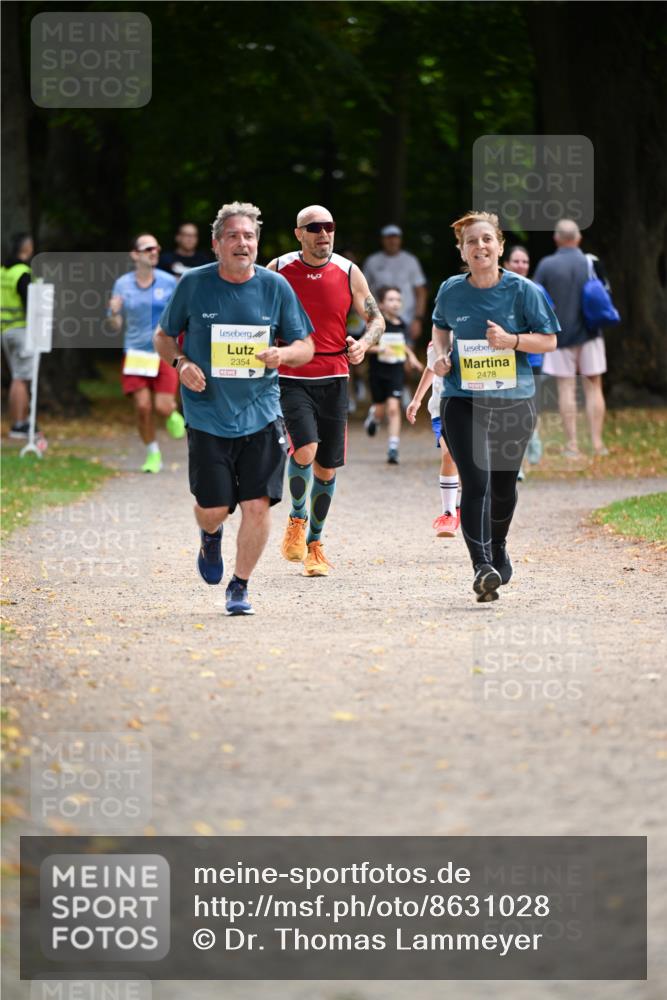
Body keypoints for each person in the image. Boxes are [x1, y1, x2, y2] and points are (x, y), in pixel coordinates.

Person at [154, 201, 314, 616]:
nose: (242, 243)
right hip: (207, 413)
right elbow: (164, 336)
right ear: (216, 244)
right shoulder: (194, 283)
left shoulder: (275, 287)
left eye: (249, 236)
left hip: (262, 412)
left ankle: (239, 586)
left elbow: (305, 345)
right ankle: (211, 537)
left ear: (257, 243)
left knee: (257, 504)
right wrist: (181, 363)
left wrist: (285, 355)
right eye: (233, 236)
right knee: (212, 510)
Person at [432, 211, 559, 602]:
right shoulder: (451, 290)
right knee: (477, 482)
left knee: (503, 488)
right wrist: (440, 357)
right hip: (462, 398)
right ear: (462, 250)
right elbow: (439, 328)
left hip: (513, 401)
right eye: (472, 241)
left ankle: (498, 545)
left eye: (487, 239)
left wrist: (513, 341)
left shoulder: (524, 291)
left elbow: (549, 341)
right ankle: (482, 566)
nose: (480, 246)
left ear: (500, 246)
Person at [267, 204, 385, 577]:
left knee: (327, 469)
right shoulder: (278, 269)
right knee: (305, 448)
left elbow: (376, 318)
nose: (323, 234)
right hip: (292, 374)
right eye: (314, 227)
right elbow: (253, 311)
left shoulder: (348, 271)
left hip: (335, 375)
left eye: (329, 226)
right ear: (298, 233)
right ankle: (297, 519)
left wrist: (364, 343)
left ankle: (315, 545)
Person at [107, 234, 184, 473]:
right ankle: (153, 454)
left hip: (162, 352)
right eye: (148, 248)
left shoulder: (168, 282)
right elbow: (115, 325)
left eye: (157, 248)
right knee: (142, 407)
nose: (154, 252)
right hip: (136, 353)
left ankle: (172, 414)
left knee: (162, 407)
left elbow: (182, 315)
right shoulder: (122, 284)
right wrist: (113, 313)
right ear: (135, 254)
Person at [533, 220, 610, 458]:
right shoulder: (592, 262)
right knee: (594, 386)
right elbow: (606, 294)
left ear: (556, 239)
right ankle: (598, 444)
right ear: (578, 239)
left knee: (566, 388)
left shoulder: (546, 265)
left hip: (558, 336)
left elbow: (536, 300)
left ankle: (572, 445)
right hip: (590, 334)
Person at [503, 244, 555, 471]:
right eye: (516, 261)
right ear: (506, 264)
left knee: (529, 410)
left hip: (531, 360)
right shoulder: (498, 289)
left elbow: (548, 326)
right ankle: (519, 465)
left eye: (524, 261)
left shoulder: (537, 290)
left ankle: (532, 437)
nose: (521, 265)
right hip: (505, 360)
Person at [363, 286, 423, 464]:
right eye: (391, 299)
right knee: (381, 409)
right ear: (381, 304)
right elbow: (363, 345)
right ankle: (373, 417)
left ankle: (393, 448)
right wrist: (379, 348)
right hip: (378, 373)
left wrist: (411, 358)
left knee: (393, 408)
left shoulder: (402, 324)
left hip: (396, 372)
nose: (395, 303)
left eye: (398, 299)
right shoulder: (376, 325)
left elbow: (402, 345)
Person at [406, 340, 460, 537]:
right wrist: (417, 399)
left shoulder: (476, 332)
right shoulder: (437, 339)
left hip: (470, 405)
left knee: (469, 462)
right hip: (441, 408)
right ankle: (449, 513)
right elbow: (430, 368)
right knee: (449, 455)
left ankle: (461, 504)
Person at [363, 225, 428, 345]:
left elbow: (421, 291)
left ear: (400, 239)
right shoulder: (372, 261)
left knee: (407, 356)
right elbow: (361, 291)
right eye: (388, 237)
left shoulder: (411, 261)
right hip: (379, 319)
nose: (392, 240)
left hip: (406, 318)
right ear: (382, 240)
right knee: (377, 357)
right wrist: (366, 316)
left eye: (395, 237)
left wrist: (418, 319)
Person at [1, 232, 35, 438]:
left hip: (5, 330)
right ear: (27, 248)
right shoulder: (22, 272)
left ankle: (18, 421)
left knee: (16, 376)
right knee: (21, 378)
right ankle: (20, 423)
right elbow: (30, 303)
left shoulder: (3, 271)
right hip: (21, 330)